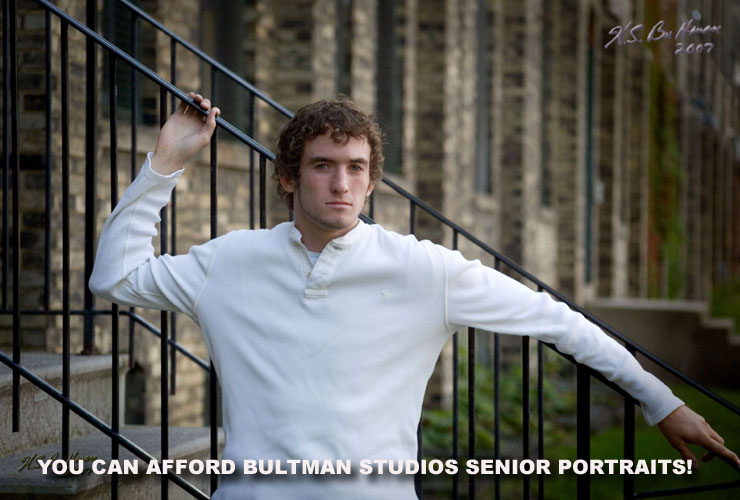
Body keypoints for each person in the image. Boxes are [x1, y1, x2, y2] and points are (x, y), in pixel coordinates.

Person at [90, 93, 739, 499]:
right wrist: (166, 161)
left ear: (371, 183)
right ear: (289, 177)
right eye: (322, 166)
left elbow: (556, 320)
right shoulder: (229, 262)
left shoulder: (426, 272)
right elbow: (113, 278)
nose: (340, 183)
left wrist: (660, 403)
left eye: (356, 169)